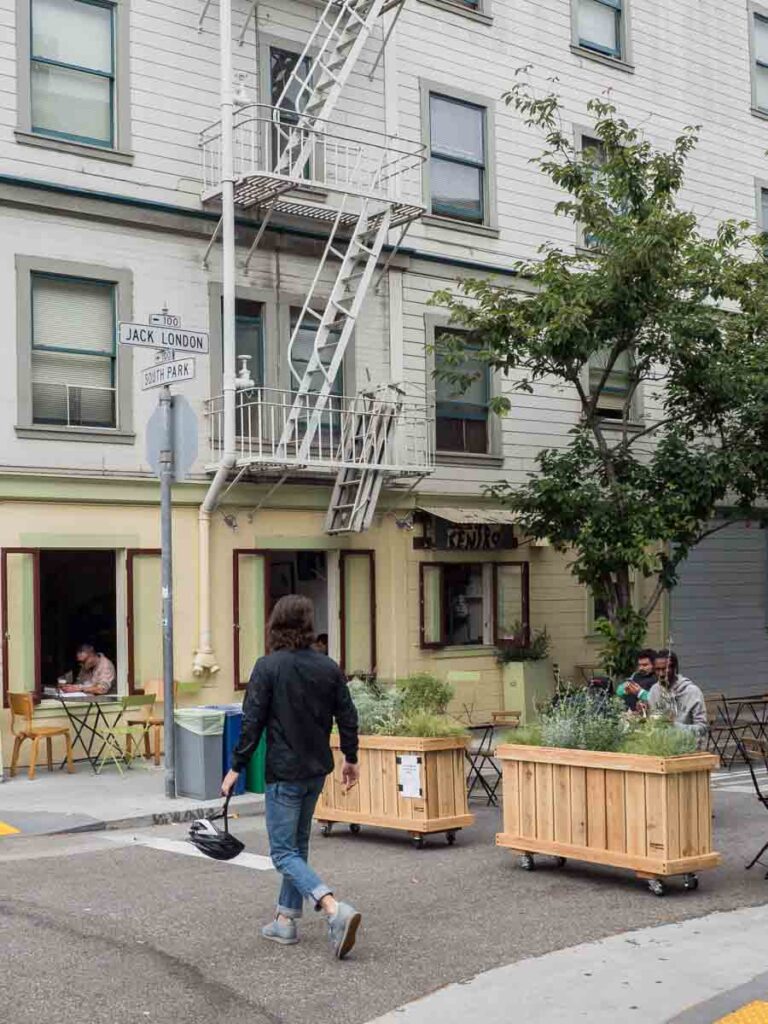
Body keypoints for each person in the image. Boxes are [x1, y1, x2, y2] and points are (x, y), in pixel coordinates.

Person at [221, 594, 362, 960]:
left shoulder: (268, 667)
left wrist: (236, 767)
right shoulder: (328, 667)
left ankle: (333, 909)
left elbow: (252, 722)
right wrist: (350, 757)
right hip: (317, 770)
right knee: (297, 848)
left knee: (283, 853)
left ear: (275, 625)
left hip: (284, 773)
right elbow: (348, 715)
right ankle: (285, 920)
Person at [647, 649, 708, 748]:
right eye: (657, 669)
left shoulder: (692, 692)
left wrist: (675, 726)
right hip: (660, 748)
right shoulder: (654, 691)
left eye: (665, 669)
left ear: (675, 669)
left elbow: (703, 729)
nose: (661, 674)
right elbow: (651, 724)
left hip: (687, 748)